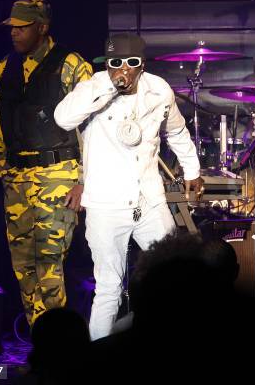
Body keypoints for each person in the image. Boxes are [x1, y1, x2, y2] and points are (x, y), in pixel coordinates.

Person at [54, 32, 204, 340]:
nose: (123, 68)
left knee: (172, 277)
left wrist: (192, 170)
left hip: (149, 200)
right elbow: (63, 118)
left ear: (142, 65)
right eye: (115, 62)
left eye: (131, 62)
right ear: (106, 64)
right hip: (106, 205)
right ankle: (98, 362)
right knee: (109, 287)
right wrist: (109, 86)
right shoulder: (94, 86)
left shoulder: (158, 90)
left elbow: (176, 132)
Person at [0, 0, 92, 326]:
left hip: (58, 173)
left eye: (23, 27)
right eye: (13, 26)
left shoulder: (71, 65)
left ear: (42, 27)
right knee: (24, 269)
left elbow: (91, 128)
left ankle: (55, 351)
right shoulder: (5, 67)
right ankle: (42, 343)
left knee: (49, 266)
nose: (15, 33)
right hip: (16, 179)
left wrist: (85, 181)